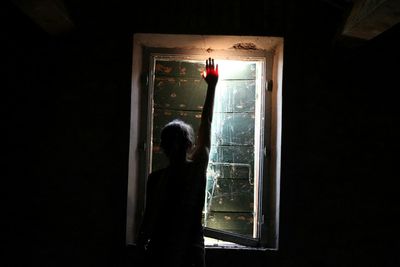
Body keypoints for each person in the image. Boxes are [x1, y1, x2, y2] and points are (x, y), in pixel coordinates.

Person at [137, 58, 219, 267]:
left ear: (162, 147)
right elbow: (206, 123)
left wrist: (140, 249)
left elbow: (148, 222)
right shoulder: (195, 170)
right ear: (189, 144)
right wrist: (211, 87)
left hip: (161, 250)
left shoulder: (156, 179)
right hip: (188, 250)